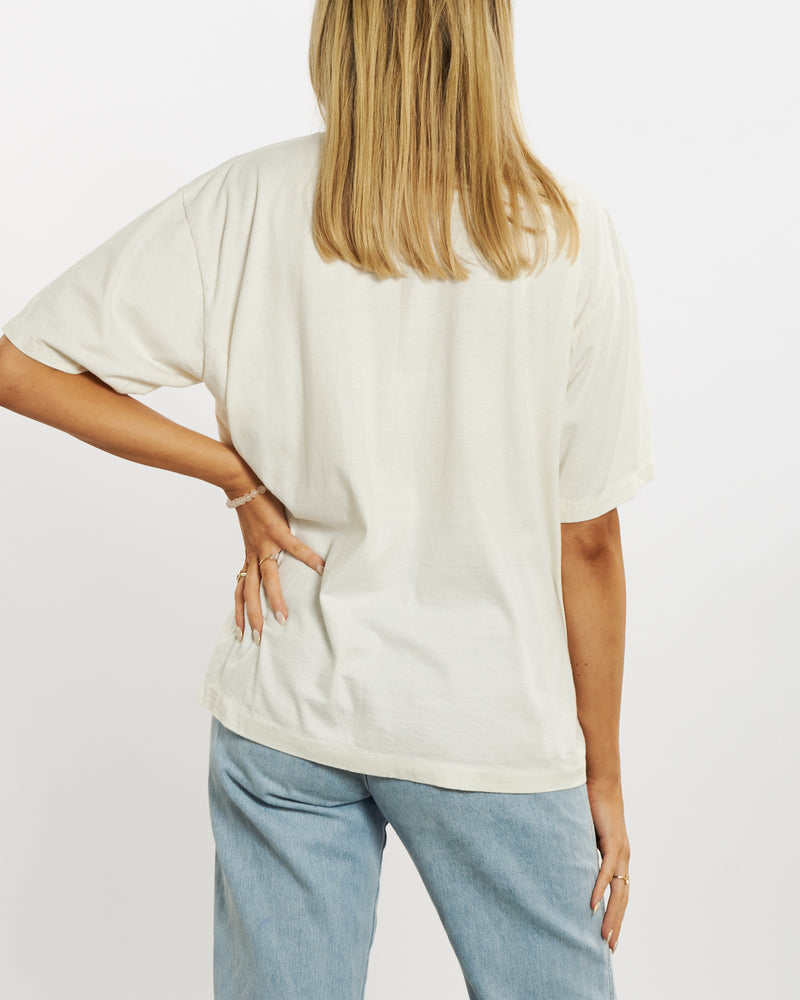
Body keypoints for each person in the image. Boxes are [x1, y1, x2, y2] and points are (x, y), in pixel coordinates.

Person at [0, 1, 656, 997]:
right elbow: (590, 542)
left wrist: (236, 475)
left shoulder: (248, 201)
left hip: (288, 701)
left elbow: (20, 365)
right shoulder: (563, 232)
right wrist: (601, 772)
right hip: (487, 725)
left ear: (337, 35)